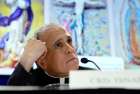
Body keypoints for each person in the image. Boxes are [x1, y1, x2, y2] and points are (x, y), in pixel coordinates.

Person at [7, 24, 93, 86]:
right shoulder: (29, 82)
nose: (70, 49)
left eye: (69, 41)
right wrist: (27, 58)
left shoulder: (92, 76)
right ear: (42, 62)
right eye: (58, 44)